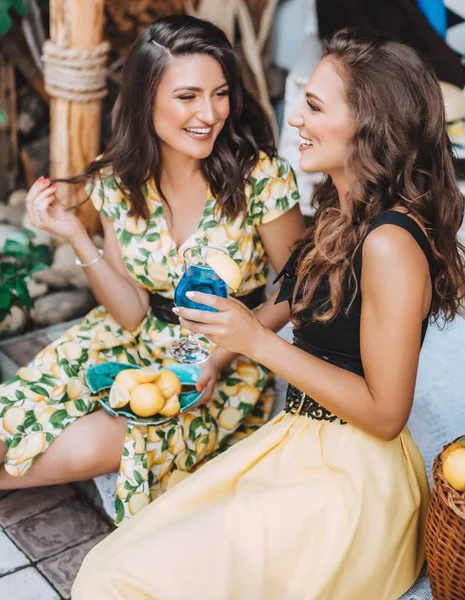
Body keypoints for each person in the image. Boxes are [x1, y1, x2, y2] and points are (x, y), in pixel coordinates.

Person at [73, 29, 465, 599]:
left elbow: (385, 415)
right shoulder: (342, 205)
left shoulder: (391, 243)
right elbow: (294, 298)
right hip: (302, 439)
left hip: (353, 478)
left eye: (312, 105)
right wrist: (221, 353)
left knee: (128, 582)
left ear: (368, 124)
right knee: (116, 561)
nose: (296, 121)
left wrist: (258, 345)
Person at [0, 15, 304, 525]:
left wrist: (220, 359)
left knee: (81, 449)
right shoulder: (119, 180)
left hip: (219, 362)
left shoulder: (261, 178)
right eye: (188, 96)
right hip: (122, 340)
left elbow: (299, 286)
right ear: (147, 100)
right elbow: (130, 311)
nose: (209, 113)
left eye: (221, 93)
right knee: (11, 419)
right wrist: (76, 233)